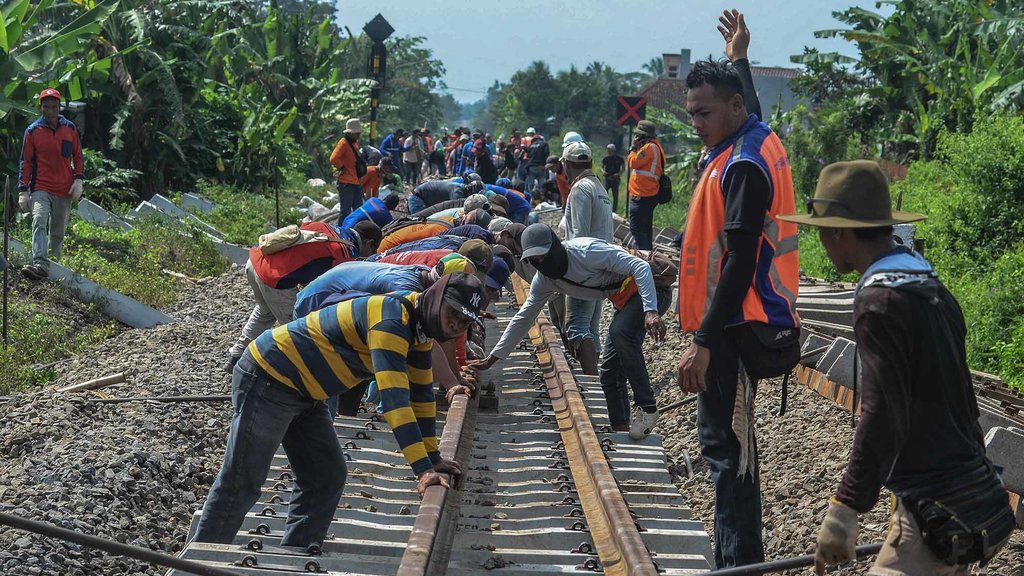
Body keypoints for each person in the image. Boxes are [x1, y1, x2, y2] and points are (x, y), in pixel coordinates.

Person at [775, 161, 1015, 576]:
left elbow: (883, 411)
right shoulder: (932, 289)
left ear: (837, 231)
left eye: (821, 231)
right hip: (971, 491)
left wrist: (845, 509)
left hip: (934, 503)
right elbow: (960, 397)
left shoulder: (879, 302)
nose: (823, 243)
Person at [194, 272, 485, 547]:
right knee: (244, 477)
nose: (455, 325)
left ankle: (295, 554)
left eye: (464, 322)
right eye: (453, 314)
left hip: (308, 390)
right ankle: (203, 558)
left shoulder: (419, 330)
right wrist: (422, 470)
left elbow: (420, 396)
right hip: (271, 376)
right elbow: (396, 400)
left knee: (326, 476)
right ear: (436, 299)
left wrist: (433, 457)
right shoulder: (392, 319)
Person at [674, 24, 802, 567]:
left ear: (728, 108)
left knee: (727, 455)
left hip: (736, 324)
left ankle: (738, 565)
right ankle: (737, 562)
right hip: (747, 319)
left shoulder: (743, 164)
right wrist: (741, 60)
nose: (696, 123)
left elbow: (741, 261)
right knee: (734, 453)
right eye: (691, 113)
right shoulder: (752, 138)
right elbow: (749, 107)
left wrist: (703, 340)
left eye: (703, 113)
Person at [471, 224, 670, 439]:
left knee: (620, 331)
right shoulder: (544, 280)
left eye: (543, 256)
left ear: (554, 248)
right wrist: (493, 358)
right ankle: (621, 429)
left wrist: (650, 311)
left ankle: (648, 408)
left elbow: (641, 267)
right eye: (533, 259)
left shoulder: (585, 252)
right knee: (610, 373)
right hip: (625, 300)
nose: (540, 262)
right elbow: (524, 317)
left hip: (652, 289)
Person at [223, 220, 382, 372]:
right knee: (297, 330)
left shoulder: (326, 227)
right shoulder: (346, 254)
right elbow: (330, 290)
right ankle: (286, 373)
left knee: (265, 313)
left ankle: (236, 356)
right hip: (273, 276)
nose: (369, 255)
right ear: (368, 243)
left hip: (256, 259)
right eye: (372, 250)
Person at [17, 88, 84, 280]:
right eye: (46, 107)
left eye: (54, 107)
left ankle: (52, 267)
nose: (50, 111)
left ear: (59, 107)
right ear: (41, 108)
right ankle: (39, 263)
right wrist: (23, 190)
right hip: (41, 187)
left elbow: (78, 155)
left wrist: (79, 180)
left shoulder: (69, 129)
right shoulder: (32, 131)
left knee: (58, 232)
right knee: (39, 221)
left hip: (64, 189)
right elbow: (26, 161)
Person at [560, 141, 614, 375]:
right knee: (591, 326)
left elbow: (580, 236)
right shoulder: (599, 187)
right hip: (601, 265)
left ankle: (591, 379)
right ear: (590, 163)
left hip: (585, 267)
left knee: (578, 327)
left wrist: (570, 272)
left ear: (566, 165)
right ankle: (596, 379)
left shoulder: (580, 189)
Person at [626, 120, 664, 250]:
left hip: (643, 194)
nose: (636, 138)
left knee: (636, 228)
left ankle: (643, 256)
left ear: (643, 136)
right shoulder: (657, 147)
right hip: (649, 194)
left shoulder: (649, 148)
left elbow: (633, 163)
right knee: (646, 229)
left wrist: (633, 148)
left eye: (638, 136)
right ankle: (647, 255)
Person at [329, 118, 365, 221]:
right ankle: (340, 231)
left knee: (358, 210)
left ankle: (356, 230)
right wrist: (342, 168)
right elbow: (333, 158)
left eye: (358, 133)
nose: (358, 135)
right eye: (356, 133)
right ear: (349, 133)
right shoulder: (343, 143)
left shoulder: (354, 143)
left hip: (355, 181)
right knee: (345, 211)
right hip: (346, 183)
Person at [601, 144, 625, 214]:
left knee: (615, 195)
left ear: (614, 151)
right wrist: (603, 172)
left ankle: (614, 210)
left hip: (615, 179)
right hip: (607, 178)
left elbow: (623, 168)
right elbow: (602, 167)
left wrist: (619, 174)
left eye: (610, 151)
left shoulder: (620, 159)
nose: (609, 152)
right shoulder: (605, 158)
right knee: (604, 193)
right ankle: (604, 208)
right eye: (608, 151)